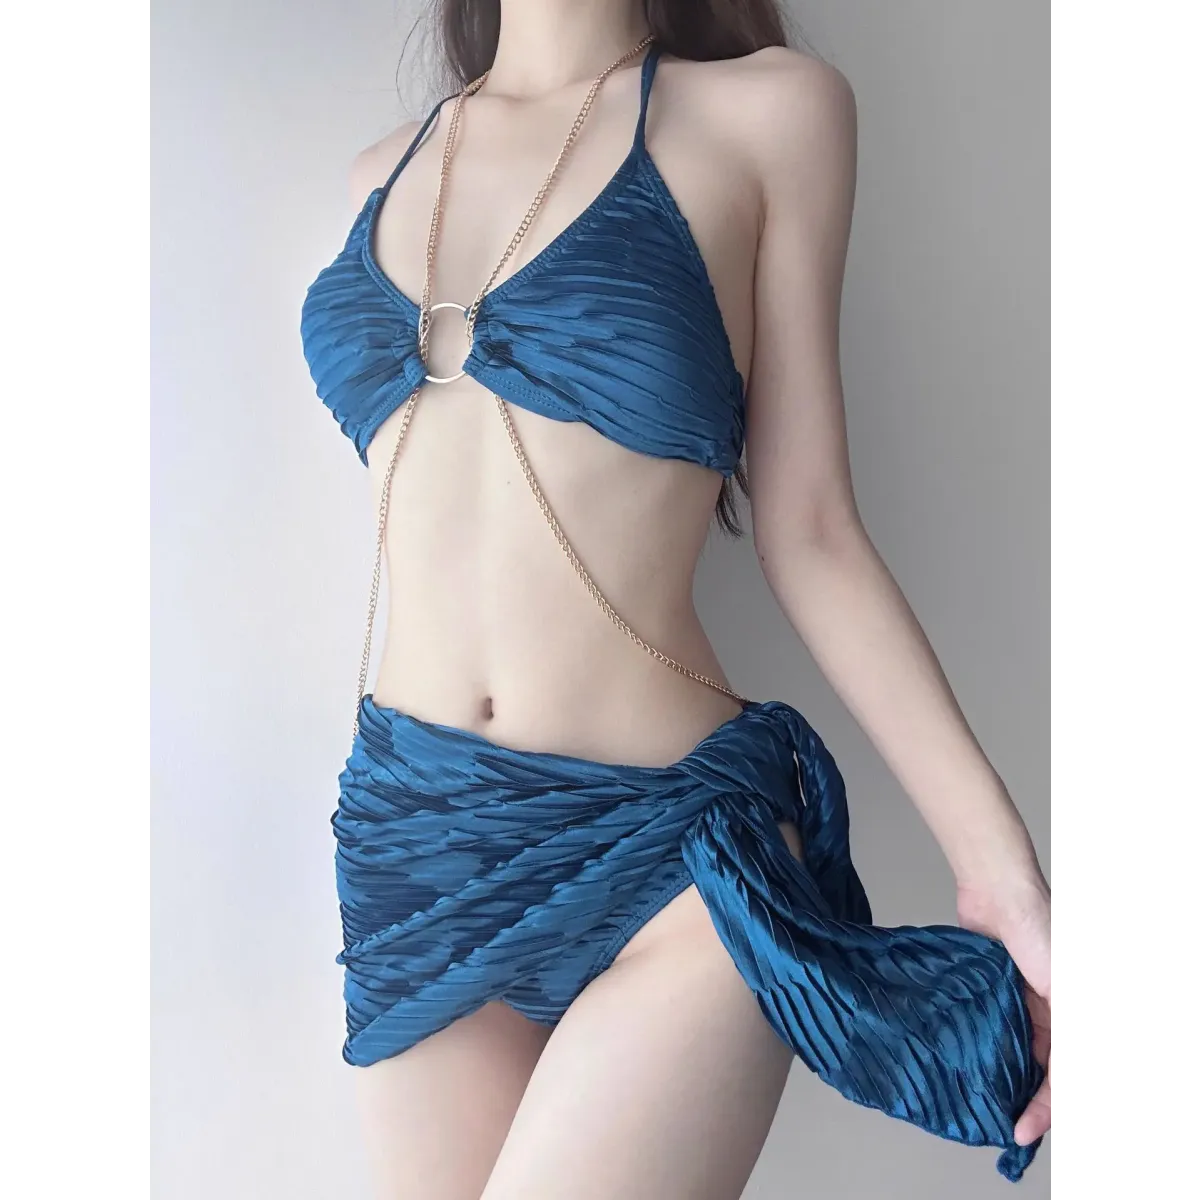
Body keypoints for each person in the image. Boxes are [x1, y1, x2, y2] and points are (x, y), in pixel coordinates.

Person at [299, 2, 1054, 1197]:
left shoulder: (772, 114)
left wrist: (1002, 878)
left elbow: (811, 528)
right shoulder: (378, 174)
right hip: (417, 844)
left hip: (674, 854)